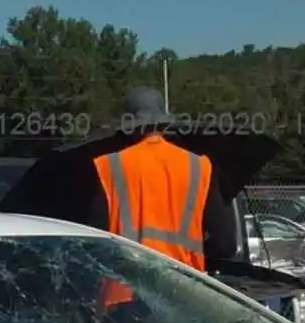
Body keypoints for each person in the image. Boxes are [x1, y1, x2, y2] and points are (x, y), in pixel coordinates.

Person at [84, 87, 238, 272]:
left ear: (129, 126)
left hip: (125, 286)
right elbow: (224, 245)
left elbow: (95, 241)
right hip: (181, 286)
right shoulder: (199, 166)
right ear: (164, 124)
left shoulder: (109, 166)